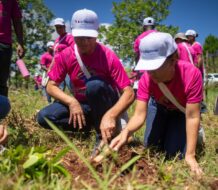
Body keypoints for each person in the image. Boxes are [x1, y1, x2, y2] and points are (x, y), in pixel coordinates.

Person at [110, 32, 204, 176]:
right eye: (148, 67)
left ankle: (196, 135)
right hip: (159, 107)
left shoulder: (191, 74)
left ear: (173, 60)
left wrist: (190, 155)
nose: (150, 73)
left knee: (174, 154)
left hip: (181, 113)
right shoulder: (147, 78)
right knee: (151, 147)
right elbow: (139, 115)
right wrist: (126, 132)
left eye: (155, 67)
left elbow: (192, 116)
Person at [37, 9, 134, 146]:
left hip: (105, 103)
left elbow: (129, 93)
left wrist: (111, 115)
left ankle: (102, 138)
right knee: (44, 117)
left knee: (94, 85)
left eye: (88, 37)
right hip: (83, 105)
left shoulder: (107, 56)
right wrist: (71, 102)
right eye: (79, 37)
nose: (84, 42)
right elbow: (51, 86)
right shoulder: (66, 55)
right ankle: (89, 126)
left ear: (96, 33)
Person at [0, 0, 25, 97]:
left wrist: (20, 43)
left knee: (2, 81)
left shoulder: (12, 1)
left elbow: (17, 21)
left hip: (4, 44)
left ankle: (1, 109)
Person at [52, 17, 75, 93]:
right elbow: (55, 55)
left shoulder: (70, 37)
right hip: (57, 67)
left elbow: (74, 51)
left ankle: (80, 102)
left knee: (71, 86)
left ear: (64, 27)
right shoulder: (57, 40)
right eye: (57, 27)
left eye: (60, 27)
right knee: (58, 88)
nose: (58, 29)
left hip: (67, 67)